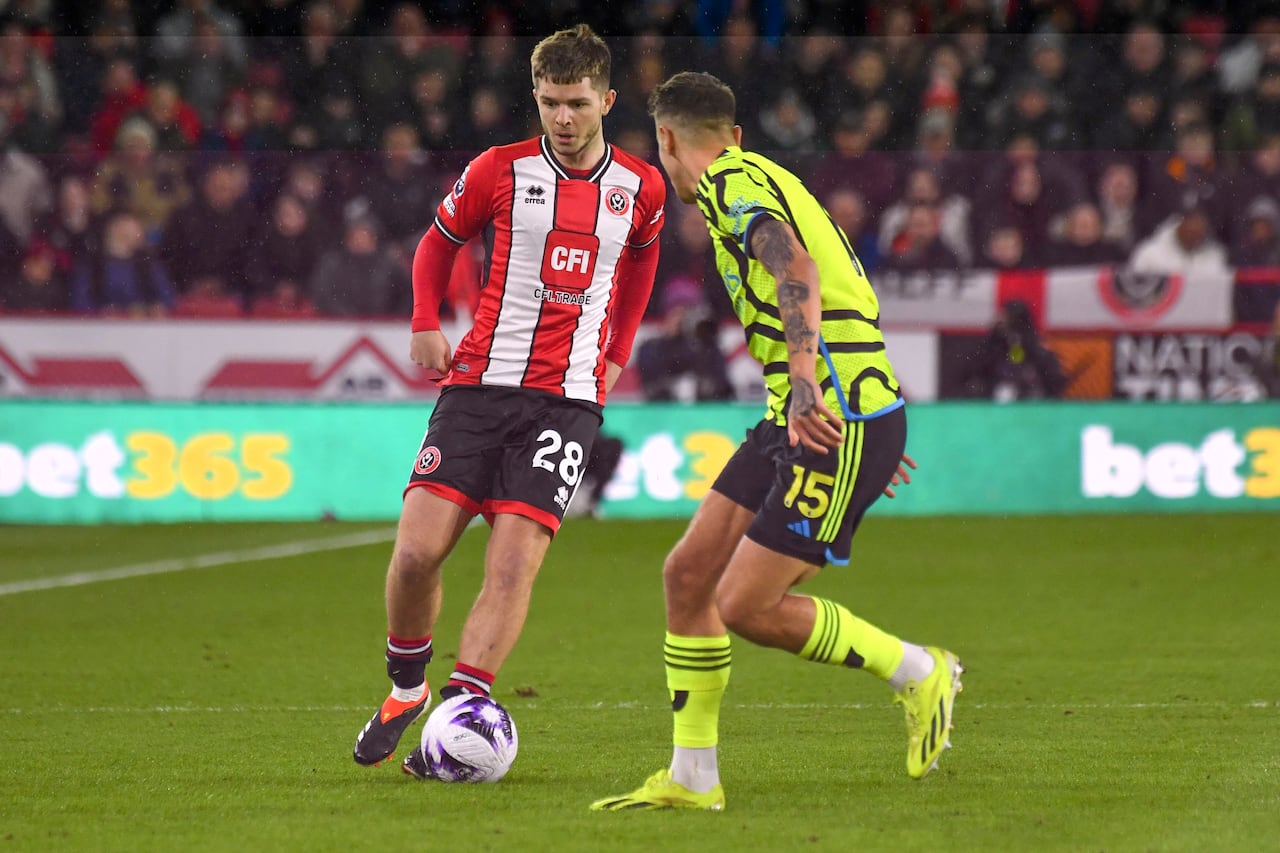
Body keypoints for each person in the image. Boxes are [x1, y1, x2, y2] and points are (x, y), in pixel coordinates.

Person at [591, 72, 960, 813]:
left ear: (666, 140)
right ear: (733, 131)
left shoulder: (728, 184)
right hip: (826, 410)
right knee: (687, 574)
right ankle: (694, 776)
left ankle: (920, 669)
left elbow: (796, 266)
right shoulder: (760, 171)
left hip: (827, 410)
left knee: (746, 604)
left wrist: (808, 388)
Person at [352, 24, 665, 776]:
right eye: (551, 102)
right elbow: (436, 242)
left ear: (607, 100)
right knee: (416, 553)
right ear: (536, 96)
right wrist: (426, 322)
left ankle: (461, 714)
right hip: (477, 386)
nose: (562, 117)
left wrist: (618, 353)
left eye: (577, 103)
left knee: (513, 566)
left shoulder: (641, 188)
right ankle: (405, 689)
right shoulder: (498, 169)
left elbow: (644, 263)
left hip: (566, 403)